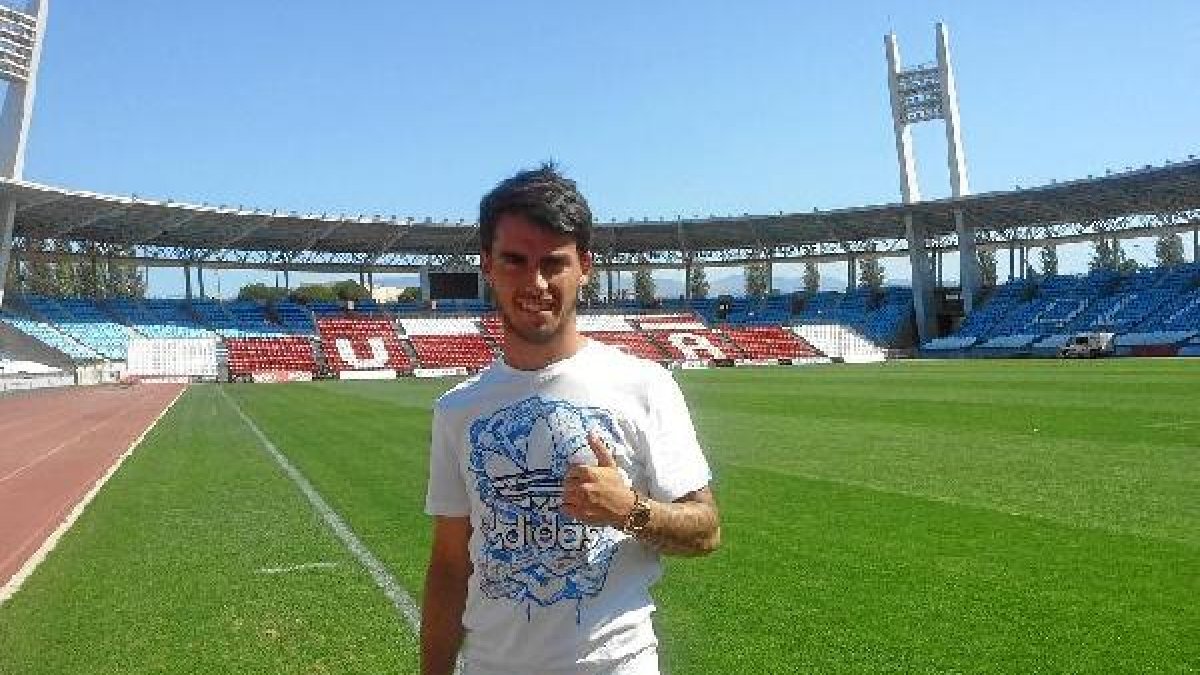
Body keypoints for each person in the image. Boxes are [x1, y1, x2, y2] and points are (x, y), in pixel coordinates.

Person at [421, 164, 721, 675]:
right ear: (487, 266)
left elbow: (706, 529)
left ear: (584, 266)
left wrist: (629, 509)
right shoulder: (458, 410)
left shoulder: (644, 385)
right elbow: (451, 565)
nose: (535, 283)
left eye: (553, 263)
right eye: (514, 261)